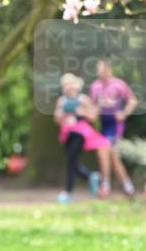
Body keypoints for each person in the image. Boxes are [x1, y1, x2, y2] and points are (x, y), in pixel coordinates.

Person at [54, 73, 111, 203]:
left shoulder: (83, 99)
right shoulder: (62, 101)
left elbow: (93, 117)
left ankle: (68, 192)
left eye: (70, 84)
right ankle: (90, 177)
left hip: (80, 133)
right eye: (66, 85)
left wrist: (81, 113)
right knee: (72, 161)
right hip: (67, 133)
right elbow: (57, 118)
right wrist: (63, 116)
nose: (69, 87)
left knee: (71, 161)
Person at [89, 58, 138, 196]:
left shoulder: (119, 85)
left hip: (115, 125)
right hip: (102, 125)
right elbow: (92, 107)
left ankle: (110, 187)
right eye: (98, 69)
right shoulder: (95, 87)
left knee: (109, 154)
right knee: (108, 156)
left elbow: (132, 101)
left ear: (109, 70)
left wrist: (124, 113)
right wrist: (94, 113)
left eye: (101, 69)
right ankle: (127, 188)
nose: (99, 71)